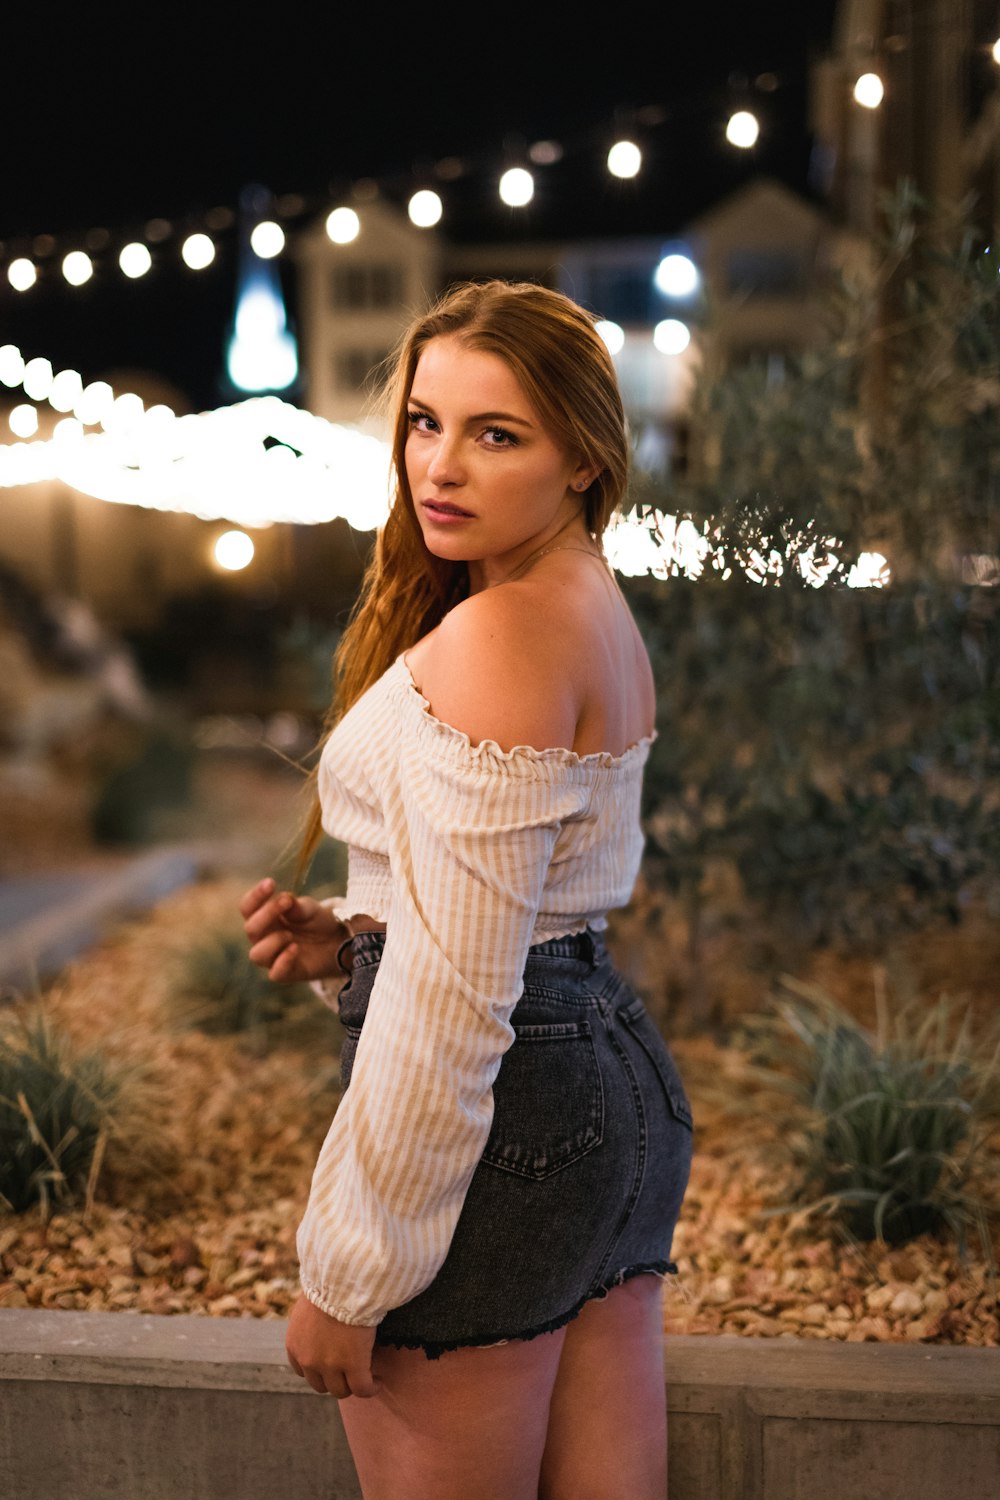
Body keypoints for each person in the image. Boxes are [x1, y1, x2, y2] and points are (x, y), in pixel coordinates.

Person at [239, 280, 693, 1500]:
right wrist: (355, 933)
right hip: (609, 1078)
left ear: (585, 457)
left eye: (498, 435)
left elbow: (448, 1008)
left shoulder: (500, 635)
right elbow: (543, 891)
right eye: (425, 421)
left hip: (514, 1118)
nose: (440, 466)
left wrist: (350, 1277)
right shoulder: (586, 604)